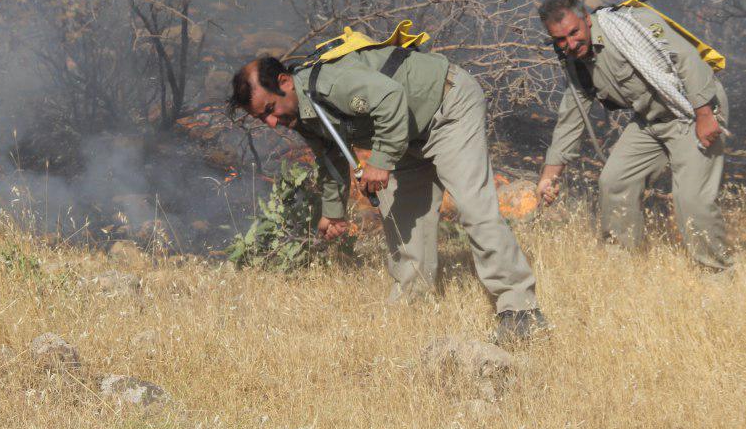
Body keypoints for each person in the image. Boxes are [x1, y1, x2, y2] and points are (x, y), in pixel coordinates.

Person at [230, 45, 547, 343]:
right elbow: (331, 154)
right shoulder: (300, 110)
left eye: (270, 109)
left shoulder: (330, 83)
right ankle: (413, 309)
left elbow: (390, 96)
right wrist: (333, 211)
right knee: (403, 221)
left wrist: (379, 162)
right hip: (404, 135)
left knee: (473, 206)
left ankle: (521, 309)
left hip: (447, 108)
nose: (272, 122)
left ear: (285, 81)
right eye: (262, 118)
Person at [535, 0, 733, 271]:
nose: (570, 43)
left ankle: (716, 273)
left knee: (692, 199)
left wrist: (704, 115)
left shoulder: (632, 25)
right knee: (615, 182)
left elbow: (688, 58)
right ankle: (622, 267)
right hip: (651, 120)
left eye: (574, 32)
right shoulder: (575, 61)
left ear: (586, 20)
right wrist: (549, 176)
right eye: (560, 39)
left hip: (691, 110)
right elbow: (572, 115)